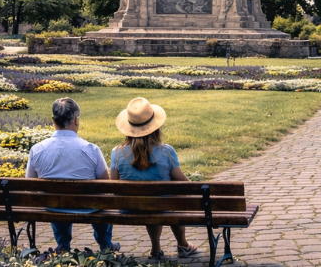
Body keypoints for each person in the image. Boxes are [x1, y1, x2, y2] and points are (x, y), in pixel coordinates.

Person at [111, 98, 199, 261]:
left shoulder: (116, 152)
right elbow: (184, 183)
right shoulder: (166, 151)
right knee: (174, 196)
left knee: (153, 200)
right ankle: (183, 245)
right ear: (155, 127)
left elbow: (114, 186)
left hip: (129, 208)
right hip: (161, 207)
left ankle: (156, 249)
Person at [26, 98, 118, 253]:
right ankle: (105, 244)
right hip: (89, 206)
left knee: (56, 200)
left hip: (53, 206)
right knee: (100, 200)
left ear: (53, 120)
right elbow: (104, 184)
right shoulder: (91, 149)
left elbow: (30, 185)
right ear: (76, 120)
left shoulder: (37, 149)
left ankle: (63, 245)